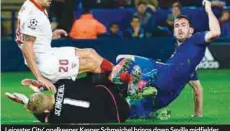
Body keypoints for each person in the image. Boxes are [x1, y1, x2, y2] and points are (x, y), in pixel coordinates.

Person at [116, 0, 220, 118]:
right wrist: (198, 114)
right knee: (123, 111)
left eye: (183, 25)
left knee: (122, 59)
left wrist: (208, 10)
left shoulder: (195, 39)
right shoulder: (184, 62)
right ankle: (141, 103)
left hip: (162, 76)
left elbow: (215, 32)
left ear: (191, 31)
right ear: (173, 32)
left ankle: (134, 85)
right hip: (163, 98)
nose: (180, 28)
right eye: (176, 26)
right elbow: (198, 89)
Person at [15, 0, 114, 93]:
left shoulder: (33, 5)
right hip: (46, 62)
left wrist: (49, 35)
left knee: (90, 52)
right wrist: (39, 76)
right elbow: (27, 48)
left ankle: (116, 72)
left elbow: (27, 35)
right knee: (93, 65)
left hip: (48, 53)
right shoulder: (33, 15)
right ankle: (116, 86)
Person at [5, 59, 156, 123]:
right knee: (100, 74)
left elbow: (40, 114)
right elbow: (86, 79)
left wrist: (25, 102)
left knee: (96, 88)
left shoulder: (55, 118)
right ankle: (126, 88)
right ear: (45, 94)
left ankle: (131, 100)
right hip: (109, 93)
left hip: (118, 116)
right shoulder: (62, 85)